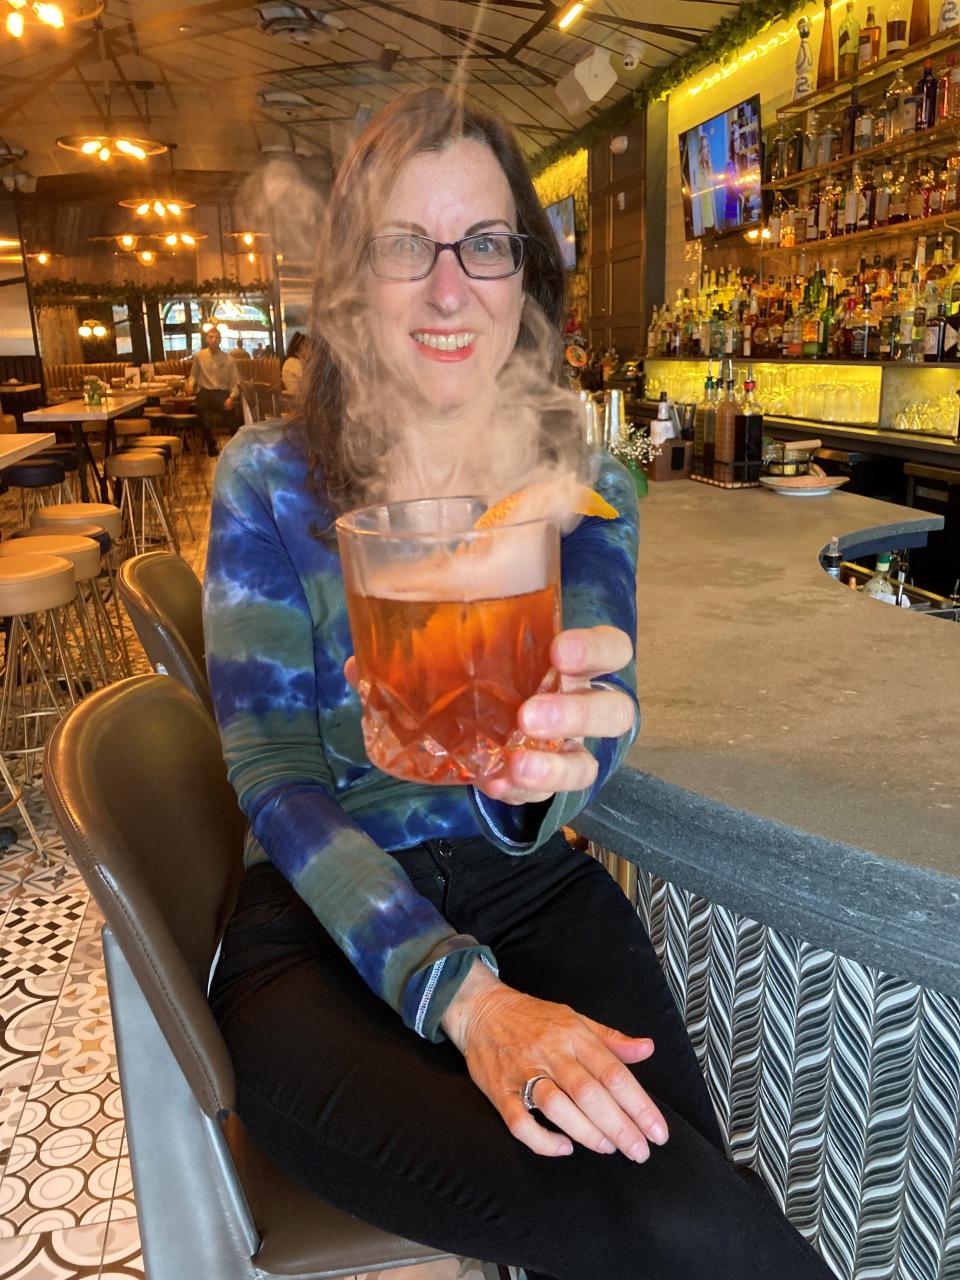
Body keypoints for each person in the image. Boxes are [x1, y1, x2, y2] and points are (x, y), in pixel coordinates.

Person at [203, 90, 834, 1280]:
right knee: (671, 1225)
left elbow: (600, 679)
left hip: (530, 886)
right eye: (407, 244)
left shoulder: (582, 482)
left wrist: (567, 753)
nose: (451, 289)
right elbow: (272, 771)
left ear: (525, 276)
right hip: (317, 930)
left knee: (691, 1188)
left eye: (486, 244)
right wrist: (466, 997)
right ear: (353, 278)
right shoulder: (268, 481)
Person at [186, 326, 239, 457]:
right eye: (211, 337)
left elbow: (235, 382)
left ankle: (237, 448)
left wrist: (231, 397)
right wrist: (190, 385)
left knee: (232, 419)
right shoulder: (199, 356)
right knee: (198, 410)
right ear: (206, 339)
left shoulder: (229, 359)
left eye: (216, 337)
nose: (214, 340)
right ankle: (210, 443)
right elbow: (193, 374)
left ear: (220, 340)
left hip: (222, 393)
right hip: (205, 393)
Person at [281, 330, 306, 397]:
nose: (311, 350)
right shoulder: (294, 363)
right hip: (298, 399)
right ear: (301, 347)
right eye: (309, 347)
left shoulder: (290, 361)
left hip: (294, 398)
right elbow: (308, 385)